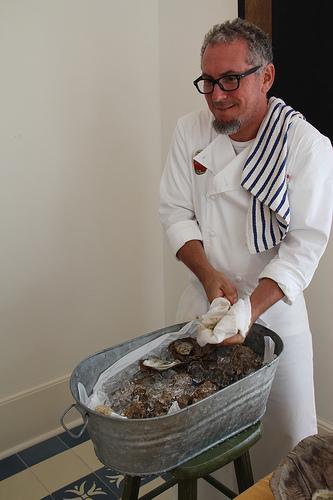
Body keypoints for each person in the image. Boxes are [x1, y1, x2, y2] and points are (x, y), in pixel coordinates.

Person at [159, 17, 333, 480]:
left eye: (232, 79)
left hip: (274, 313)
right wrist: (211, 279)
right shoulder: (188, 131)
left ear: (267, 76)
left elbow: (303, 248)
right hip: (204, 304)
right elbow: (175, 213)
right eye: (209, 82)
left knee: (291, 447)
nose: (217, 95)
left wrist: (247, 312)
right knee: (200, 436)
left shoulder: (307, 147)